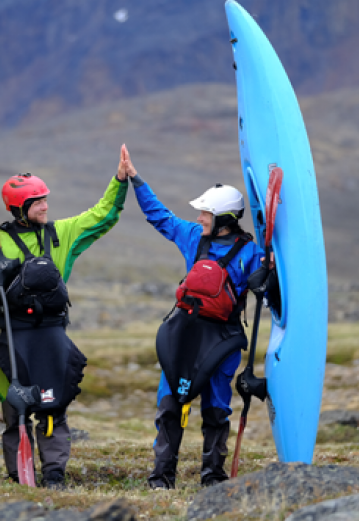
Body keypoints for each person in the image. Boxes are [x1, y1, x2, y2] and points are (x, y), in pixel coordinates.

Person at [0, 146, 130, 488]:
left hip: (52, 336)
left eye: (45, 198)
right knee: (14, 409)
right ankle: (18, 475)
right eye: (37, 201)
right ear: (19, 208)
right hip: (14, 338)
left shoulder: (63, 233)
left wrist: (119, 180)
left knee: (52, 408)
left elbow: (103, 215)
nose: (45, 205)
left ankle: (55, 473)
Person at [119, 145, 267, 489]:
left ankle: (213, 478)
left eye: (205, 213)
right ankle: (161, 478)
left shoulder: (252, 254)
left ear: (225, 219)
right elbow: (159, 216)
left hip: (223, 340)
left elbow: (271, 291)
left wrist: (267, 274)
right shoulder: (192, 236)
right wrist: (136, 180)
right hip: (185, 336)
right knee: (170, 404)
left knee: (216, 408)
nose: (199, 218)